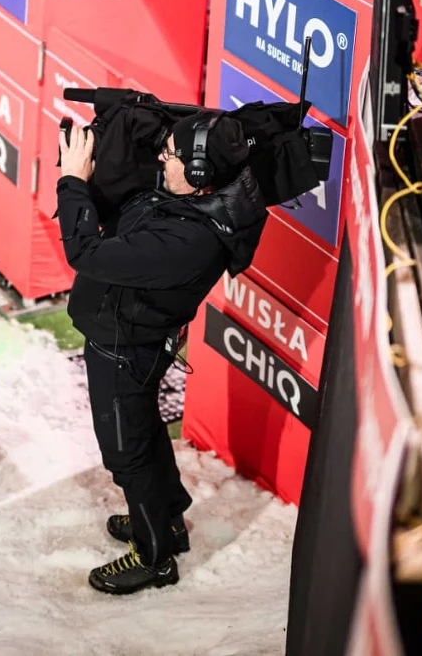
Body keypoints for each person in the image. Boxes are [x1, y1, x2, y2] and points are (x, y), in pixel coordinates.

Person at [56, 112, 267, 595]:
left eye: (170, 155)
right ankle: (168, 515)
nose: (161, 158)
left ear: (199, 174)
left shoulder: (188, 240)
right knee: (144, 430)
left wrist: (72, 182)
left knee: (125, 453)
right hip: (127, 337)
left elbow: (85, 253)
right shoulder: (190, 200)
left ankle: (155, 558)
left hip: (124, 345)